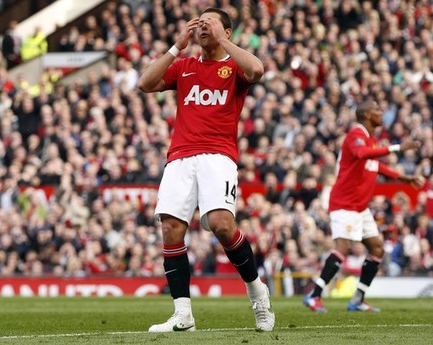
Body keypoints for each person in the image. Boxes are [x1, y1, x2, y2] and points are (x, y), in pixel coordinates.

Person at [138, 8, 274, 332]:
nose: (202, 28)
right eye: (199, 23)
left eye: (209, 23)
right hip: (180, 156)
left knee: (221, 225)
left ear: (226, 31)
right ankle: (183, 314)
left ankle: (257, 291)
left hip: (218, 155)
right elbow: (145, 83)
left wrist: (223, 41)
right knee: (170, 228)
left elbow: (257, 69)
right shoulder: (184, 67)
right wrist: (176, 46)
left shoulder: (234, 67)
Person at [303, 100, 425, 313]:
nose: (381, 112)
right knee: (343, 247)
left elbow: (373, 163)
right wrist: (396, 147)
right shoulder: (355, 135)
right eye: (377, 110)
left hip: (360, 206)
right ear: (367, 115)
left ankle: (358, 299)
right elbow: (362, 154)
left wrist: (402, 177)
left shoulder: (370, 139)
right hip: (345, 204)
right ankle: (314, 296)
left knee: (377, 248)